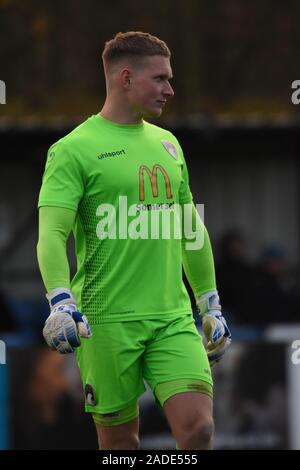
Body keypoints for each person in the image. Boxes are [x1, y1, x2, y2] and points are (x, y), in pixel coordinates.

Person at [37, 31, 231, 450]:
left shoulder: (169, 145)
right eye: (160, 79)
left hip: (171, 318)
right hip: (104, 323)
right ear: (126, 78)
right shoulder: (73, 150)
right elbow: (52, 233)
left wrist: (209, 303)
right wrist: (59, 299)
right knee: (121, 446)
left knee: (198, 429)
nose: (170, 89)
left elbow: (190, 230)